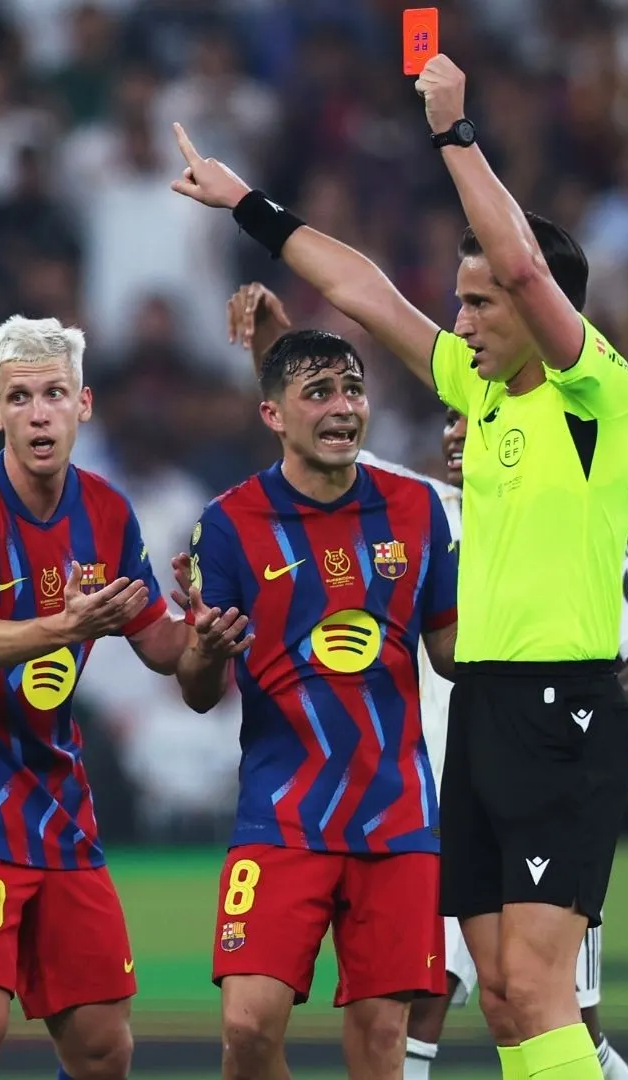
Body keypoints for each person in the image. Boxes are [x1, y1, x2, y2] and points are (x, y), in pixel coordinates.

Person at [171, 51, 628, 1080]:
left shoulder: (595, 398)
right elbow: (362, 289)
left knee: (544, 988)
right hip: (478, 714)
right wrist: (246, 203)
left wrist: (453, 134)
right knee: (508, 1000)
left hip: (561, 708)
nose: (462, 322)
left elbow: (522, 262)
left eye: (479, 304)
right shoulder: (482, 401)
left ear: (543, 309)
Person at [230, 287, 628, 1080]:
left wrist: (567, 713)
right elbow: (320, 443)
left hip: (539, 787)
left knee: (553, 1012)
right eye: (449, 425)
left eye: (469, 422)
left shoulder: (573, 522)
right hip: (436, 802)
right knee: (426, 996)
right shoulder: (418, 513)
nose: (455, 438)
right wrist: (273, 339)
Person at [0, 315, 198, 1080]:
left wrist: (207, 626)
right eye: (20, 396)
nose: (39, 412)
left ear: (83, 404)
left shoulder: (106, 513)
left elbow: (163, 649)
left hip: (59, 812)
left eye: (54, 394)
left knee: (103, 1048)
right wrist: (60, 625)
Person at [170, 328, 458, 1080]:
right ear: (274, 415)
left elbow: (455, 653)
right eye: (319, 393)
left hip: (395, 816)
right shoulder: (228, 524)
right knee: (247, 1027)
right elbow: (199, 693)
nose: (343, 408)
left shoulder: (419, 511)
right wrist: (204, 647)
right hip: (284, 812)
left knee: (381, 1045)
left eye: (354, 390)